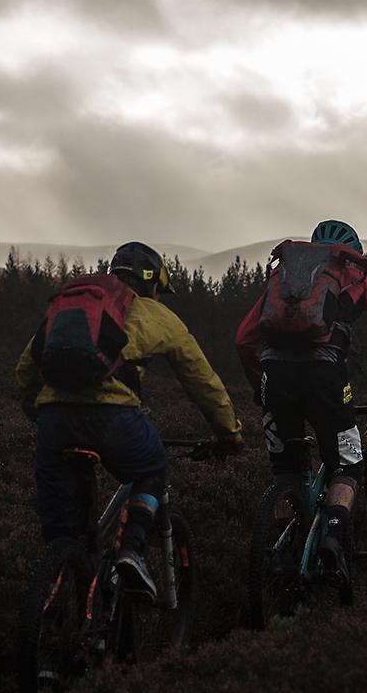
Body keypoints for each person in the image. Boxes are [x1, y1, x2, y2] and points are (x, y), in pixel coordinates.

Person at [14, 241, 245, 600]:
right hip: (112, 419)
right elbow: (202, 383)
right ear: (152, 285)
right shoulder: (157, 315)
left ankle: (57, 601)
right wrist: (229, 434)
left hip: (54, 422)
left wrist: (40, 414)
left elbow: (25, 371)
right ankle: (132, 550)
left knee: (63, 537)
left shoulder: (73, 309)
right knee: (152, 468)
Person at [234, 220, 367, 582]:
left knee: (286, 472)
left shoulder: (284, 279)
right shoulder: (354, 276)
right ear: (352, 251)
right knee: (347, 465)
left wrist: (259, 387)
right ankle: (332, 534)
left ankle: (283, 555)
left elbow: (243, 340)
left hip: (274, 379)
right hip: (325, 379)